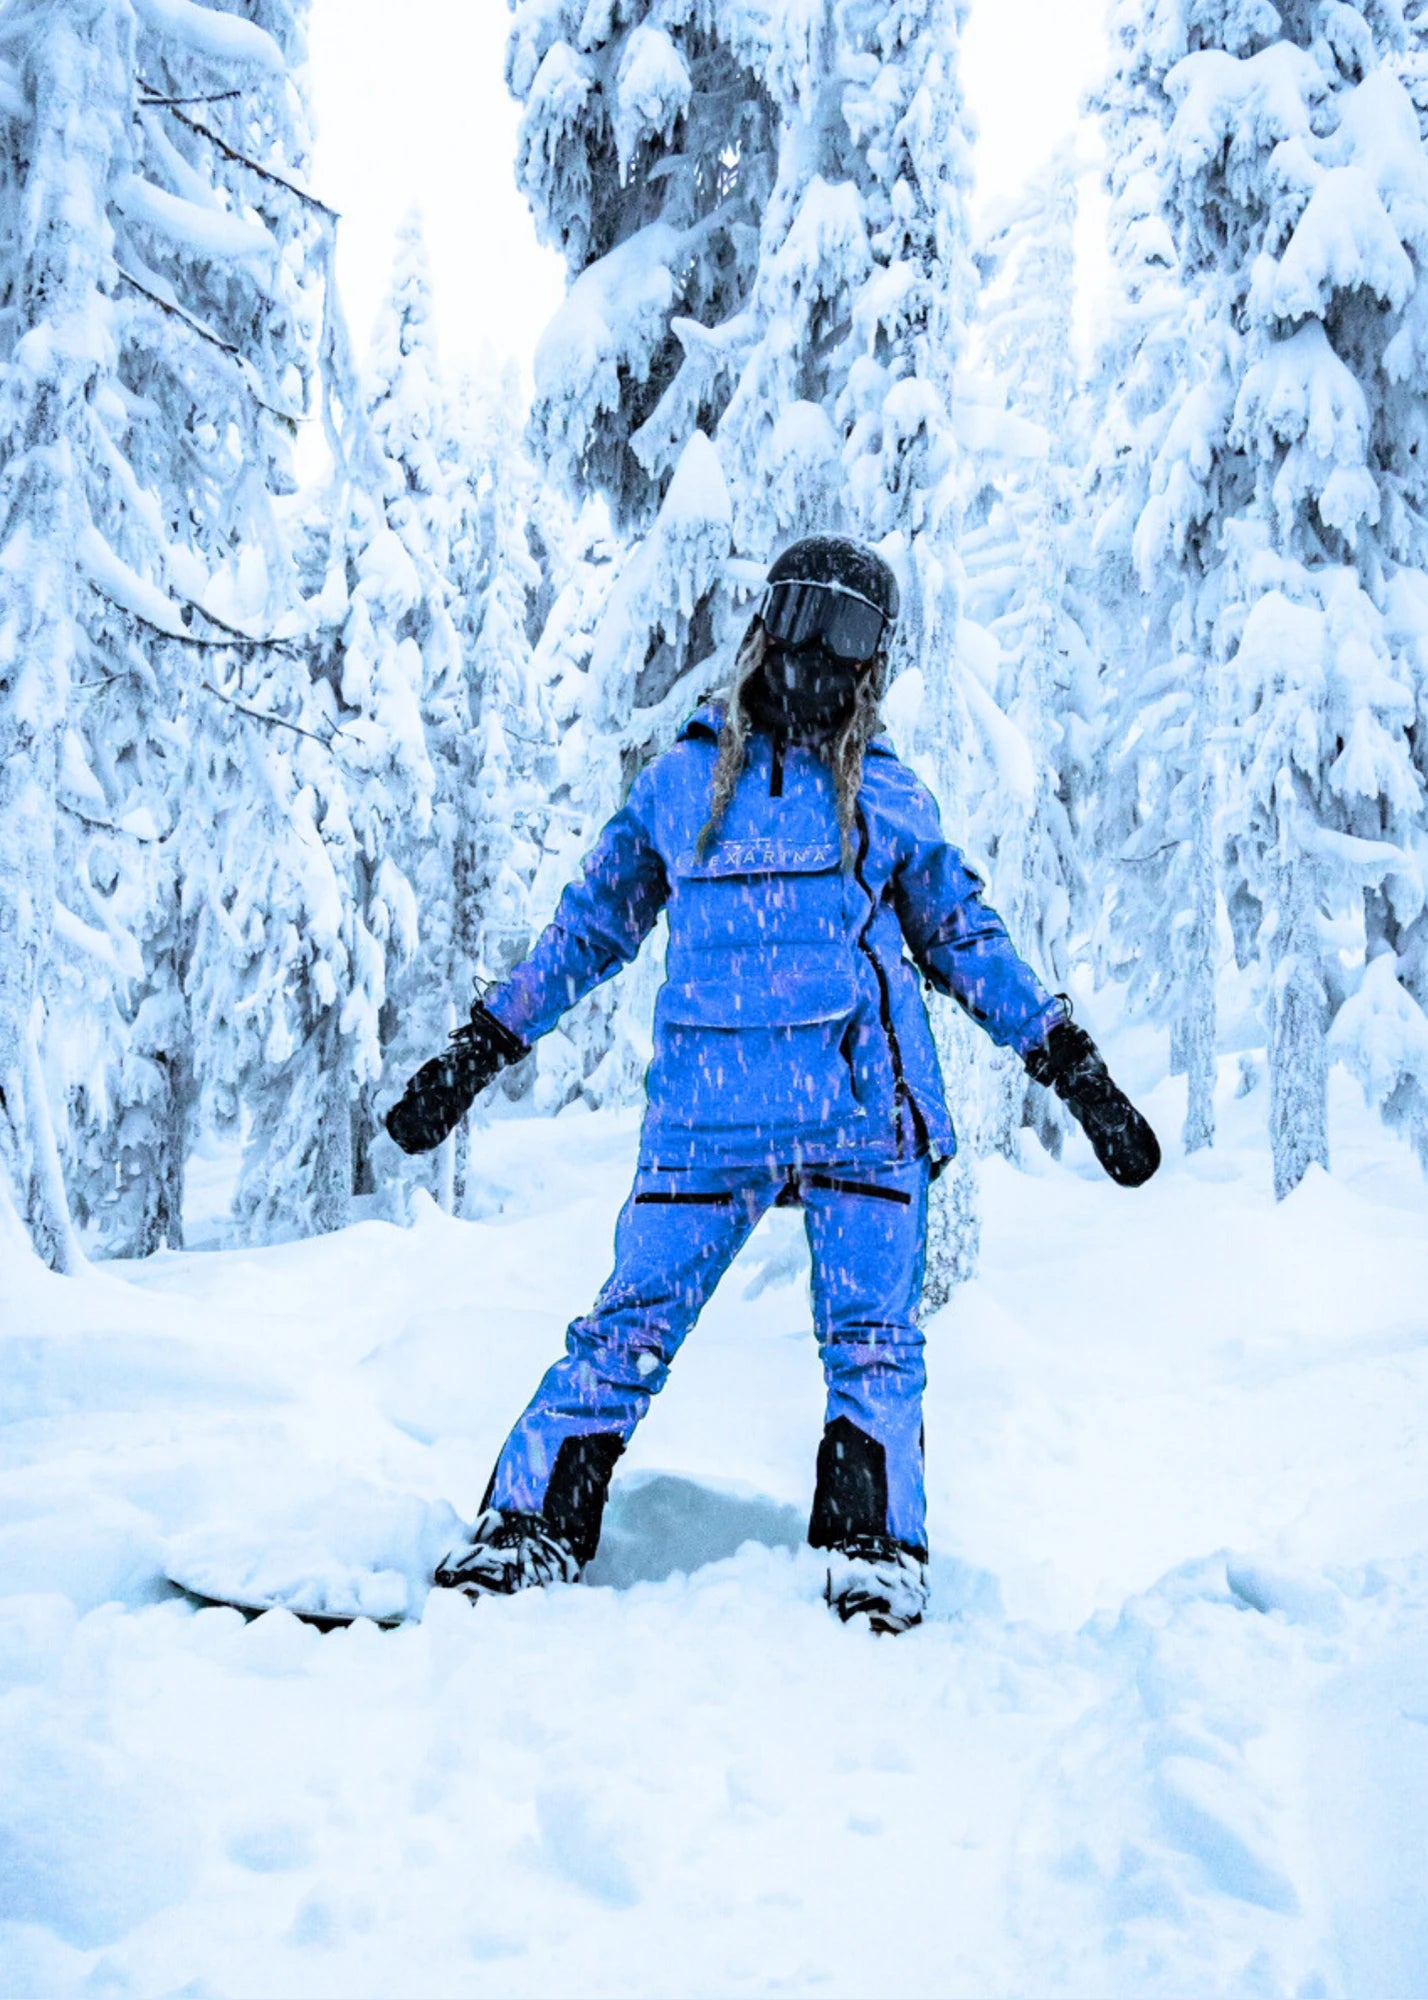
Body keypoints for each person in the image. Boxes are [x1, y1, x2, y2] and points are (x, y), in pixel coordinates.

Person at [386, 536, 1160, 1634]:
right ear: (764, 627)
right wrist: (480, 1049)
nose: (814, 653)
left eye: (846, 633)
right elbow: (585, 929)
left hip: (860, 1113)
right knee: (624, 1327)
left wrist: (1068, 1063)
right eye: (800, 617)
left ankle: (875, 1546)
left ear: (874, 662)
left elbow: (963, 937)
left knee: (872, 1338)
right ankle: (528, 1524)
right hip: (714, 1117)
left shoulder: (882, 798)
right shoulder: (685, 784)